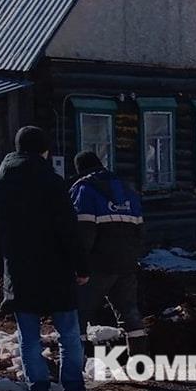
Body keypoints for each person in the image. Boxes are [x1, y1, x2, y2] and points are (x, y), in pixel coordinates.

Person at [0, 126, 93, 391]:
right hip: (57, 270)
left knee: (28, 337)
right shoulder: (53, 182)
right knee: (68, 334)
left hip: (19, 272)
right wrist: (81, 266)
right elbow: (69, 230)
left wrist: (2, 269)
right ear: (44, 151)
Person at [70, 151, 148, 357]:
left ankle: (79, 361)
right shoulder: (127, 189)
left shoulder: (84, 189)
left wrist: (79, 264)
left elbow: (84, 233)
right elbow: (140, 232)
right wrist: (133, 257)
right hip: (127, 264)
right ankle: (140, 361)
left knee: (78, 313)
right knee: (130, 312)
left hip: (97, 265)